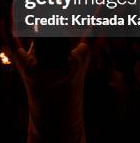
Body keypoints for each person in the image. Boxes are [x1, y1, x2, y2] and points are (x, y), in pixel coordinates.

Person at [6, 9, 90, 143]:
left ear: (36, 53)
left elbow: (10, 36)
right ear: (68, 50)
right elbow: (93, 31)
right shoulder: (75, 67)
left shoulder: (31, 72)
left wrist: (9, 4)